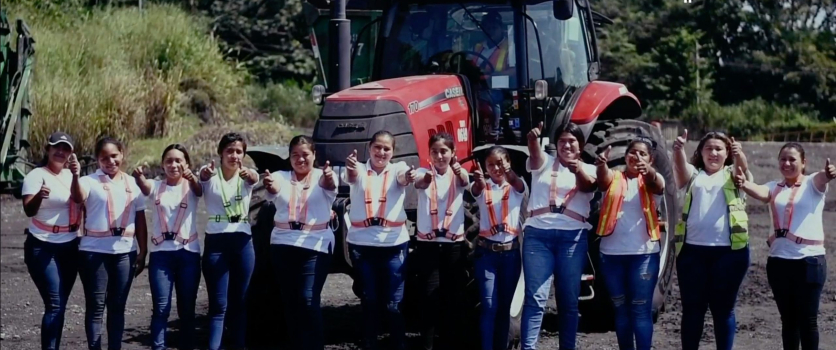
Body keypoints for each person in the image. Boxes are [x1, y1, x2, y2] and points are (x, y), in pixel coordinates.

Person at [734, 143, 834, 350]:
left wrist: (829, 173)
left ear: (803, 163)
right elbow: (760, 191)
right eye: (783, 159)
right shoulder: (774, 187)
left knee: (808, 322)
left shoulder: (813, 183)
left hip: (809, 261)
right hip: (779, 263)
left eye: (792, 160)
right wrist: (743, 183)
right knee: (788, 321)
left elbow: (823, 179)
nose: (786, 163)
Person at [672, 130, 752, 350]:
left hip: (729, 253)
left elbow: (742, 169)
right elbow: (680, 169)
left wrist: (739, 155)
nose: (714, 153)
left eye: (719, 149)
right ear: (701, 152)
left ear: (727, 154)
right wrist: (678, 149)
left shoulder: (733, 174)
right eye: (709, 148)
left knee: (723, 310)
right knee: (692, 309)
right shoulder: (694, 176)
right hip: (691, 253)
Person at [521, 122, 597, 350]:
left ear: (580, 146)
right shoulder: (544, 163)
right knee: (535, 299)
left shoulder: (590, 169)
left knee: (568, 302)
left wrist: (578, 170)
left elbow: (588, 186)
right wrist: (533, 139)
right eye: (562, 141)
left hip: (572, 239)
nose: (566, 145)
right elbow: (534, 153)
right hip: (538, 237)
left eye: (571, 141)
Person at [70, 136, 148, 350]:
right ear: (97, 159)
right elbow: (77, 197)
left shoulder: (132, 183)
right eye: (104, 158)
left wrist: (143, 251)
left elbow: (140, 218)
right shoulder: (89, 181)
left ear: (122, 154)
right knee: (96, 307)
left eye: (114, 156)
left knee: (117, 306)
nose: (110, 161)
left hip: (125, 252)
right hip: (94, 252)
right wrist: (75, 176)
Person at [344, 130, 416, 350]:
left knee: (394, 304)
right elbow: (352, 176)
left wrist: (410, 177)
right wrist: (350, 167)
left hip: (394, 245)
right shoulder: (358, 169)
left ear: (393, 152)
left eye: (386, 149)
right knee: (370, 300)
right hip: (362, 246)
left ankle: (398, 343)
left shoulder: (398, 169)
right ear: (369, 148)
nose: (381, 152)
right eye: (377, 147)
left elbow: (405, 177)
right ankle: (370, 343)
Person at [263, 135, 337, 350]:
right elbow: (273, 187)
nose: (300, 159)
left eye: (305, 155)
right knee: (290, 303)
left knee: (307, 300)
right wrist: (269, 184)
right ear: (289, 157)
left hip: (315, 245)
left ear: (314, 155)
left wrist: (329, 176)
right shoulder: (281, 176)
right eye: (295, 155)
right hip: (283, 245)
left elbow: (328, 184)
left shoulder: (322, 176)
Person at [594, 138, 665, 350]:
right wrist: (600, 165)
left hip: (643, 254)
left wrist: (649, 171)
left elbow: (657, 183)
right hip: (611, 254)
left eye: (643, 154)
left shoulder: (653, 179)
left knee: (640, 309)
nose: (637, 157)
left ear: (651, 159)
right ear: (625, 156)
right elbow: (603, 179)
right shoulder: (614, 178)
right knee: (620, 309)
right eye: (633, 152)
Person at [133, 144, 202, 350]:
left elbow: (199, 189)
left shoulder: (192, 186)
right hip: (161, 255)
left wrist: (193, 178)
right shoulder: (156, 186)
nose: (174, 164)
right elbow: (145, 187)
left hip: (188, 253)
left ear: (187, 164)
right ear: (162, 165)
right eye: (169, 161)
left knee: (187, 308)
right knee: (161, 308)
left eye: (179, 160)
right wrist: (139, 177)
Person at [198, 132, 259, 350]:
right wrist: (204, 174)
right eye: (229, 151)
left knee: (240, 303)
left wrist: (250, 175)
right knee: (218, 305)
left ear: (244, 154)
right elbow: (202, 179)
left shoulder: (247, 176)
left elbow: (254, 178)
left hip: (242, 242)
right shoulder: (209, 176)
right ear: (221, 153)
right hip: (216, 241)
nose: (234, 156)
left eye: (238, 151)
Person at [21, 132, 82, 350]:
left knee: (60, 306)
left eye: (66, 149)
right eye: (57, 147)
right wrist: (39, 196)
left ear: (71, 154)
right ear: (48, 149)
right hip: (42, 245)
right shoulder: (36, 175)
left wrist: (76, 175)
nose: (61, 152)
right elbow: (28, 210)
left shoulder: (71, 175)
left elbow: (79, 198)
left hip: (70, 245)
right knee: (54, 304)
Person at [412, 132, 470, 350]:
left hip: (453, 245)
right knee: (429, 296)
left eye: (444, 151)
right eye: (435, 152)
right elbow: (419, 183)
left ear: (453, 153)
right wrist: (427, 178)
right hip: (428, 245)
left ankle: (451, 342)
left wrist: (458, 171)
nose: (439, 156)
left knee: (453, 296)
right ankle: (427, 344)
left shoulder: (459, 173)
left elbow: (465, 180)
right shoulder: (422, 172)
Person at [470, 145, 527, 350]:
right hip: (487, 254)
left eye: (500, 163)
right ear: (485, 168)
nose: (496, 168)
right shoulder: (482, 187)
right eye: (491, 165)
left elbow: (517, 183)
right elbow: (475, 190)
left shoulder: (517, 188)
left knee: (504, 308)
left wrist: (508, 170)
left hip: (510, 254)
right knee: (489, 306)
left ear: (509, 163)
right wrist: (478, 180)